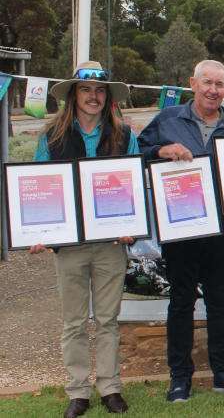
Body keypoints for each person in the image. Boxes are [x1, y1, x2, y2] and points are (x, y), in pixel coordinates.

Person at [138, 60, 224, 402]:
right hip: (181, 229)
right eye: (207, 82)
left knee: (219, 302)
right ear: (192, 83)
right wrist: (162, 150)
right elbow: (138, 154)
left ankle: (223, 373)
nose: (213, 90)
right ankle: (180, 377)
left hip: (221, 230)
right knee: (181, 302)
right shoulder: (168, 119)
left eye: (220, 85)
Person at [31, 61, 137, 417]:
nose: (93, 96)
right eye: (86, 90)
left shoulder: (124, 135)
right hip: (71, 245)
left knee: (108, 319)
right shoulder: (52, 137)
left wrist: (132, 224)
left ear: (107, 97)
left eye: (99, 90)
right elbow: (41, 188)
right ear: (73, 96)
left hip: (111, 244)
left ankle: (110, 387)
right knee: (73, 322)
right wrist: (39, 232)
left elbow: (135, 187)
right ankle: (78, 390)